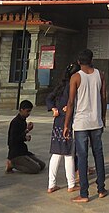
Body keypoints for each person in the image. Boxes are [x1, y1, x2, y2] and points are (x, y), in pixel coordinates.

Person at [63, 49, 107, 203]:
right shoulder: (100, 75)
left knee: (82, 157)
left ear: (79, 61)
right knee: (98, 154)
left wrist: (66, 124)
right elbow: (103, 98)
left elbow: (70, 102)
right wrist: (103, 117)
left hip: (81, 122)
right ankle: (101, 188)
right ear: (91, 60)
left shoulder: (76, 77)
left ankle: (84, 193)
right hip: (96, 121)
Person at [46, 62, 80, 194]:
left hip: (58, 121)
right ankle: (71, 184)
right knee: (68, 154)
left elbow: (49, 98)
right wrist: (67, 109)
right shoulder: (72, 86)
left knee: (56, 153)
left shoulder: (60, 86)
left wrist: (53, 108)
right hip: (67, 121)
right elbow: (73, 103)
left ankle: (51, 184)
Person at [6, 100, 45, 174]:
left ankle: (25, 160)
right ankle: (12, 164)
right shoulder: (15, 122)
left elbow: (21, 134)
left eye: (30, 111)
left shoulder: (23, 121)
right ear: (21, 110)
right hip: (16, 153)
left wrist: (27, 131)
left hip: (23, 151)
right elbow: (12, 140)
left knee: (42, 165)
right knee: (36, 169)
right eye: (27, 111)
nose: (29, 113)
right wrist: (25, 137)